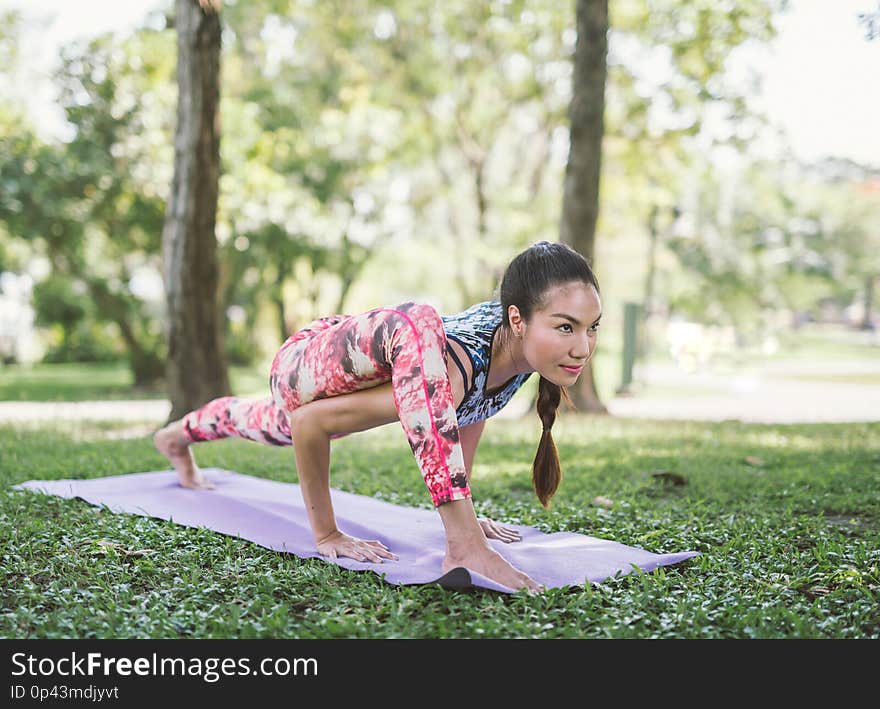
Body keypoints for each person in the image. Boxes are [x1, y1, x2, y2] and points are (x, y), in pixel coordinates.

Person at [154, 240, 602, 592]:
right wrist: (328, 535)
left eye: (591, 327)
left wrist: (466, 509)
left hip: (379, 363)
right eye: (566, 327)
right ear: (517, 319)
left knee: (259, 421)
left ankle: (175, 437)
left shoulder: (519, 353)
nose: (582, 347)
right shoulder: (450, 369)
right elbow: (309, 423)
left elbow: (468, 412)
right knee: (282, 424)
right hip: (308, 363)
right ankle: (460, 544)